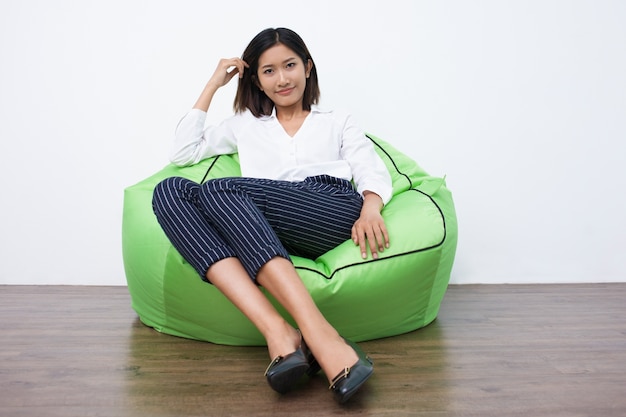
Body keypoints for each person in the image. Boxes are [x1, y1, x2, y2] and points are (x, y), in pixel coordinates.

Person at [152, 27, 392, 404]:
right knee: (168, 192)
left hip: (328, 207)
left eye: (290, 65)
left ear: (308, 68)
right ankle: (279, 331)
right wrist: (213, 85)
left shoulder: (335, 119)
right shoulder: (245, 124)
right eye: (269, 71)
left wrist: (371, 208)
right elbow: (183, 153)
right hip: (263, 222)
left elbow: (370, 169)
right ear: (257, 81)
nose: (282, 79)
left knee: (221, 188)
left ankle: (323, 337)